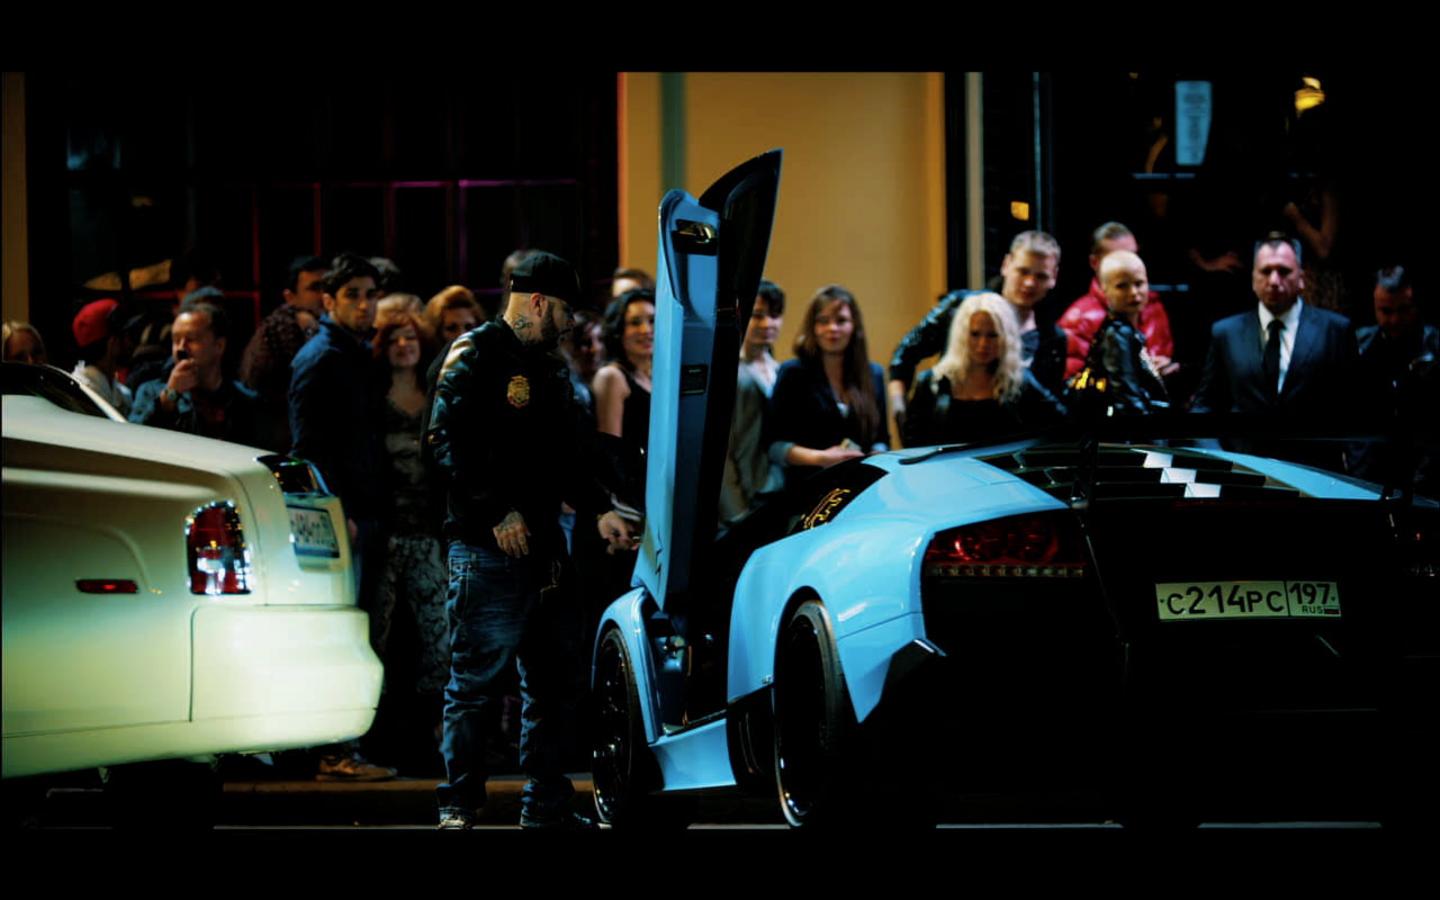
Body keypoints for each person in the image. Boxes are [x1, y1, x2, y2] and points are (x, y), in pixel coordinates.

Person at [427, 251, 634, 830]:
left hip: (546, 550)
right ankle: (458, 804)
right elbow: (443, 441)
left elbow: (566, 455)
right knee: (475, 685)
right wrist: (494, 510)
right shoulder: (474, 352)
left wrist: (600, 508)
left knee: (552, 684)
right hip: (486, 550)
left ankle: (545, 803)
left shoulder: (549, 368)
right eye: (564, 312)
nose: (568, 326)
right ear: (538, 302)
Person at [288, 253, 396, 782]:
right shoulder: (322, 357)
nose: (365, 304)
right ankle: (334, 752)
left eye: (371, 294)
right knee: (341, 631)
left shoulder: (351, 353)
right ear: (329, 300)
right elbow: (307, 448)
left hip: (360, 515)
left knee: (357, 629)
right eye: (353, 294)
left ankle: (343, 749)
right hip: (339, 518)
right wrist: (339, 512)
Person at [1189, 234, 1357, 468]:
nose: (1274, 280)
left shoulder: (1335, 331)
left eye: (1284, 271)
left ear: (1301, 278)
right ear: (1253, 278)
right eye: (1266, 271)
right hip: (1244, 472)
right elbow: (1204, 407)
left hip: (1315, 473)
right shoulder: (1226, 333)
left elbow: (1356, 408)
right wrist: (1217, 460)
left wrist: (1356, 477)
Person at [369, 308, 451, 772]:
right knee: (378, 635)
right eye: (394, 339)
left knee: (438, 635)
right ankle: (376, 738)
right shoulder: (371, 398)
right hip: (385, 532)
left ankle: (434, 738)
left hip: (427, 531)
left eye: (410, 338)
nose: (403, 345)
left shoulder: (435, 393)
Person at [888, 231, 1067, 437]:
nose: (1029, 283)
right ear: (1006, 265)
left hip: (1009, 445)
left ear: (1053, 277)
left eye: (1040, 276)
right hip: (950, 433)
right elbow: (905, 354)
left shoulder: (1052, 339)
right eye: (1023, 271)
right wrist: (899, 408)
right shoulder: (960, 308)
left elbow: (1050, 414)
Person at [903, 292, 1066, 446]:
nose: (983, 344)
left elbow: (1062, 426)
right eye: (975, 334)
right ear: (962, 335)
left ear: (1005, 338)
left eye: (992, 335)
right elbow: (912, 445)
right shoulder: (932, 383)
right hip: (943, 467)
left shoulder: (1019, 382)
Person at [769, 285, 888, 488]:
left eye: (841, 321)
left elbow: (881, 438)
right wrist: (821, 458)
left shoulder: (874, 374)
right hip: (807, 489)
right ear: (813, 327)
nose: (832, 328)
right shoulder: (792, 373)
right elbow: (774, 447)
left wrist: (877, 454)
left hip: (860, 488)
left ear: (855, 326)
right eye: (823, 321)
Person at [129, 299, 266, 446]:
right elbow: (136, 442)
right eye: (176, 340)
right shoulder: (150, 392)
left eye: (191, 339)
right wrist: (170, 395)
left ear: (219, 346)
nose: (181, 348)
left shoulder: (245, 401)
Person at [1351, 265, 1438, 493]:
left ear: (1415, 304)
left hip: (1425, 476)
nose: (1395, 319)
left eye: (1403, 309)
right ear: (1374, 306)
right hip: (1367, 474)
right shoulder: (1359, 345)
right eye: (1386, 311)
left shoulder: (1436, 347)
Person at [1057, 222, 1176, 381]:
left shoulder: (1153, 306)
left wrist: (1169, 367)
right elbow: (1072, 383)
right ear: (1095, 263)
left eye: (1133, 256)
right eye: (1118, 258)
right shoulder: (1080, 319)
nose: (1129, 264)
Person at [240, 255, 328, 454]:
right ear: (290, 297)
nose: (323, 295)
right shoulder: (282, 327)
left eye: (327, 286)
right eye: (315, 288)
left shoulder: (329, 325)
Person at [1065, 251, 1169, 417]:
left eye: (1139, 283)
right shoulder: (1119, 334)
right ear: (1104, 290)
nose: (1133, 292)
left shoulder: (1125, 330)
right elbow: (1128, 400)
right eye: (1122, 286)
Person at [720, 279, 785, 525]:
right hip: (745, 498)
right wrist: (736, 511)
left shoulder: (779, 368)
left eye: (775, 315)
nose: (768, 324)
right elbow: (721, 449)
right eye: (758, 315)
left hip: (778, 490)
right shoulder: (730, 370)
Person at [592, 289, 656, 517]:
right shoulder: (612, 376)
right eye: (635, 323)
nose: (646, 330)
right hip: (630, 505)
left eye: (652, 320)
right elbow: (610, 456)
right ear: (618, 330)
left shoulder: (656, 375)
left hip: (657, 491)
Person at [70, 298, 137, 417]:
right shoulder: (83, 397)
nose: (131, 343)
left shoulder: (121, 393)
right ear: (112, 343)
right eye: (127, 335)